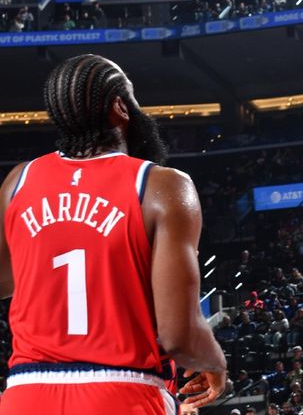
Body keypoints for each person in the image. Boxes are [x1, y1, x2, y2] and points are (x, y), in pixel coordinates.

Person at [0, 55, 227, 414]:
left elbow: (5, 281)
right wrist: (215, 362)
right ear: (121, 107)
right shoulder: (161, 186)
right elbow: (179, 337)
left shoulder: (18, 182)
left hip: (25, 393)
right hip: (122, 390)